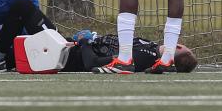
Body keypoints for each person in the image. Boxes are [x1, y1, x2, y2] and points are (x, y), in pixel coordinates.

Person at [65, 31, 197, 74]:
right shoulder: (151, 48)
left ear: (178, 47)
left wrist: (85, 42)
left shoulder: (142, 57)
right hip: (72, 47)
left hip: (68, 58)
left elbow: (92, 63)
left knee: (44, 25)